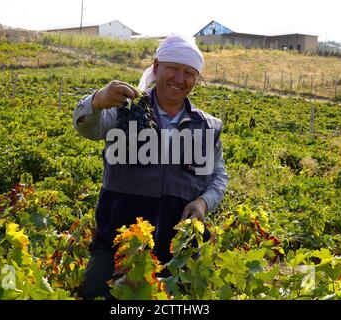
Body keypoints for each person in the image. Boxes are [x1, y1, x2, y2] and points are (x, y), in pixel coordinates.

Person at [73, 34, 229, 299]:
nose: (180, 79)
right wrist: (97, 100)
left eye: (189, 73)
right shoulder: (125, 109)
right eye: (173, 69)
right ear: (156, 67)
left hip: (176, 253)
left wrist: (203, 202)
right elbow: (87, 126)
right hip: (117, 245)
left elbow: (218, 176)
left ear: (196, 79)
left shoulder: (206, 126)